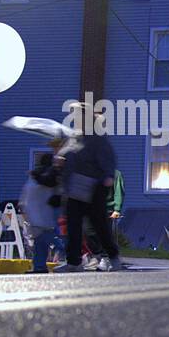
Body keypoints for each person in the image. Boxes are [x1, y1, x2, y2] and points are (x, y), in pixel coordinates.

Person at [55, 114, 122, 272]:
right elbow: (67, 160)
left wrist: (108, 177)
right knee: (73, 226)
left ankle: (113, 257)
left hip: (93, 187)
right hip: (74, 189)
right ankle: (74, 262)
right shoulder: (73, 140)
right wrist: (60, 162)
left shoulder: (98, 141)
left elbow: (108, 161)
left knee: (99, 225)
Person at [19, 154, 63, 273]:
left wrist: (23, 206)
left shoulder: (43, 177)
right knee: (41, 241)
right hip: (42, 214)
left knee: (47, 238)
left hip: (42, 214)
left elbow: (30, 193)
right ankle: (39, 266)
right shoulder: (48, 176)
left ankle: (70, 254)